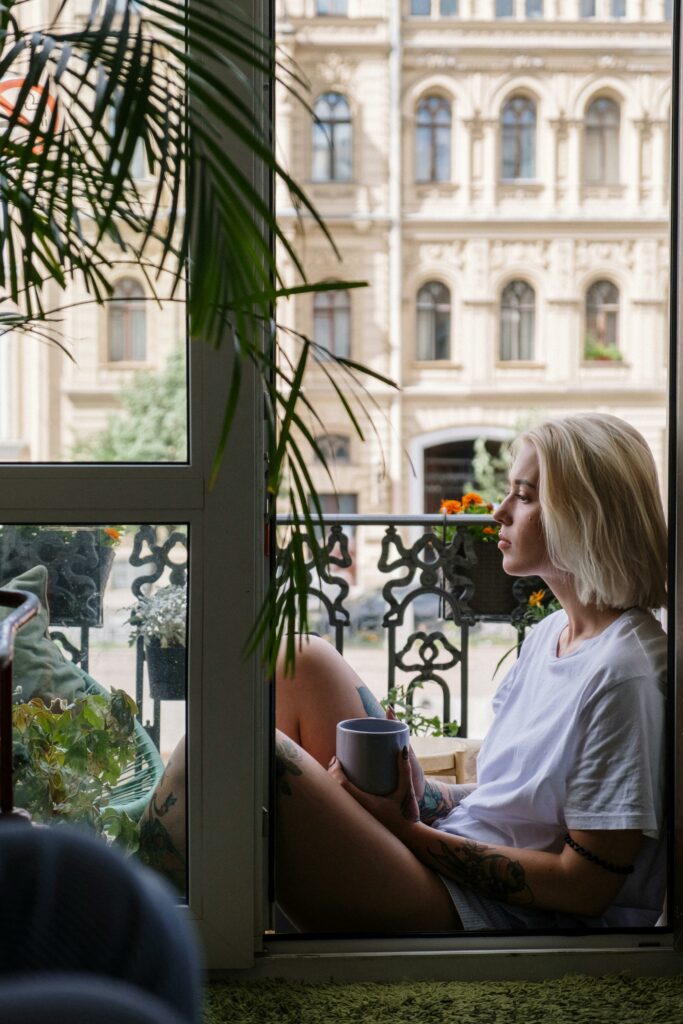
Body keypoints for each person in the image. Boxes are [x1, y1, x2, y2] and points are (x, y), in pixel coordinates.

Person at [275, 413, 668, 933]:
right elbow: (502, 801)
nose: (499, 513)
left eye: (525, 497)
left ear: (584, 517)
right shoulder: (552, 634)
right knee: (300, 660)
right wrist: (417, 794)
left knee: (256, 762)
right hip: (449, 856)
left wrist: (409, 830)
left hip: (493, 911)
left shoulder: (624, 674)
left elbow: (584, 887)